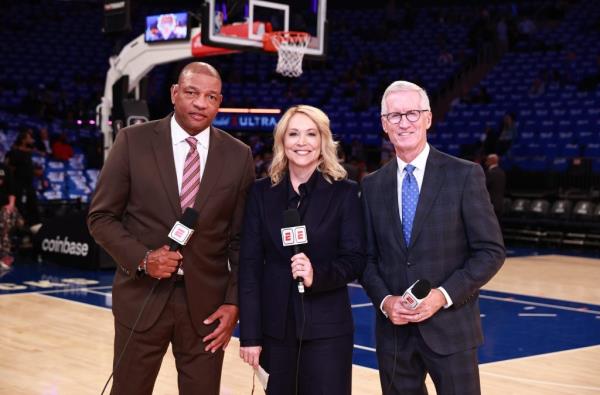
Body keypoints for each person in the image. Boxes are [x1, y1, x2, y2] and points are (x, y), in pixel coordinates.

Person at [87, 62, 255, 395]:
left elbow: (241, 240)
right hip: (141, 298)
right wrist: (144, 258)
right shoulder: (132, 141)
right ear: (175, 93)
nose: (200, 103)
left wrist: (234, 302)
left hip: (207, 309)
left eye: (210, 96)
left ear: (219, 102)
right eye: (192, 93)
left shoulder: (239, 156)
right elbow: (101, 217)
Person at [360, 80, 505, 395]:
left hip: (451, 329)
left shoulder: (465, 175)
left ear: (428, 118)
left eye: (412, 113)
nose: (404, 122)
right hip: (394, 334)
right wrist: (386, 302)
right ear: (384, 125)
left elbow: (490, 252)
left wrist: (442, 295)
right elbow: (367, 260)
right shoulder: (371, 185)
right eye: (395, 116)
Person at [238, 105, 366, 394]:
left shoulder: (345, 193)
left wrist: (316, 275)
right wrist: (249, 335)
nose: (302, 142)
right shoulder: (261, 193)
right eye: (293, 134)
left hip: (328, 332)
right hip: (275, 331)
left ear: (323, 140)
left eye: (311, 134)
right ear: (282, 141)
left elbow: (354, 259)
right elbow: (249, 268)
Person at [0, 163, 22, 270]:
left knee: (5, 217)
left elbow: (12, 191)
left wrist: (11, 205)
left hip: (5, 207)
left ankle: (5, 255)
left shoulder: (4, 168)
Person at [485, 154, 506, 221]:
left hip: (490, 204)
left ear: (492, 161)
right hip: (499, 204)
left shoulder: (491, 173)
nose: (486, 162)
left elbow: (483, 187)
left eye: (487, 160)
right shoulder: (502, 172)